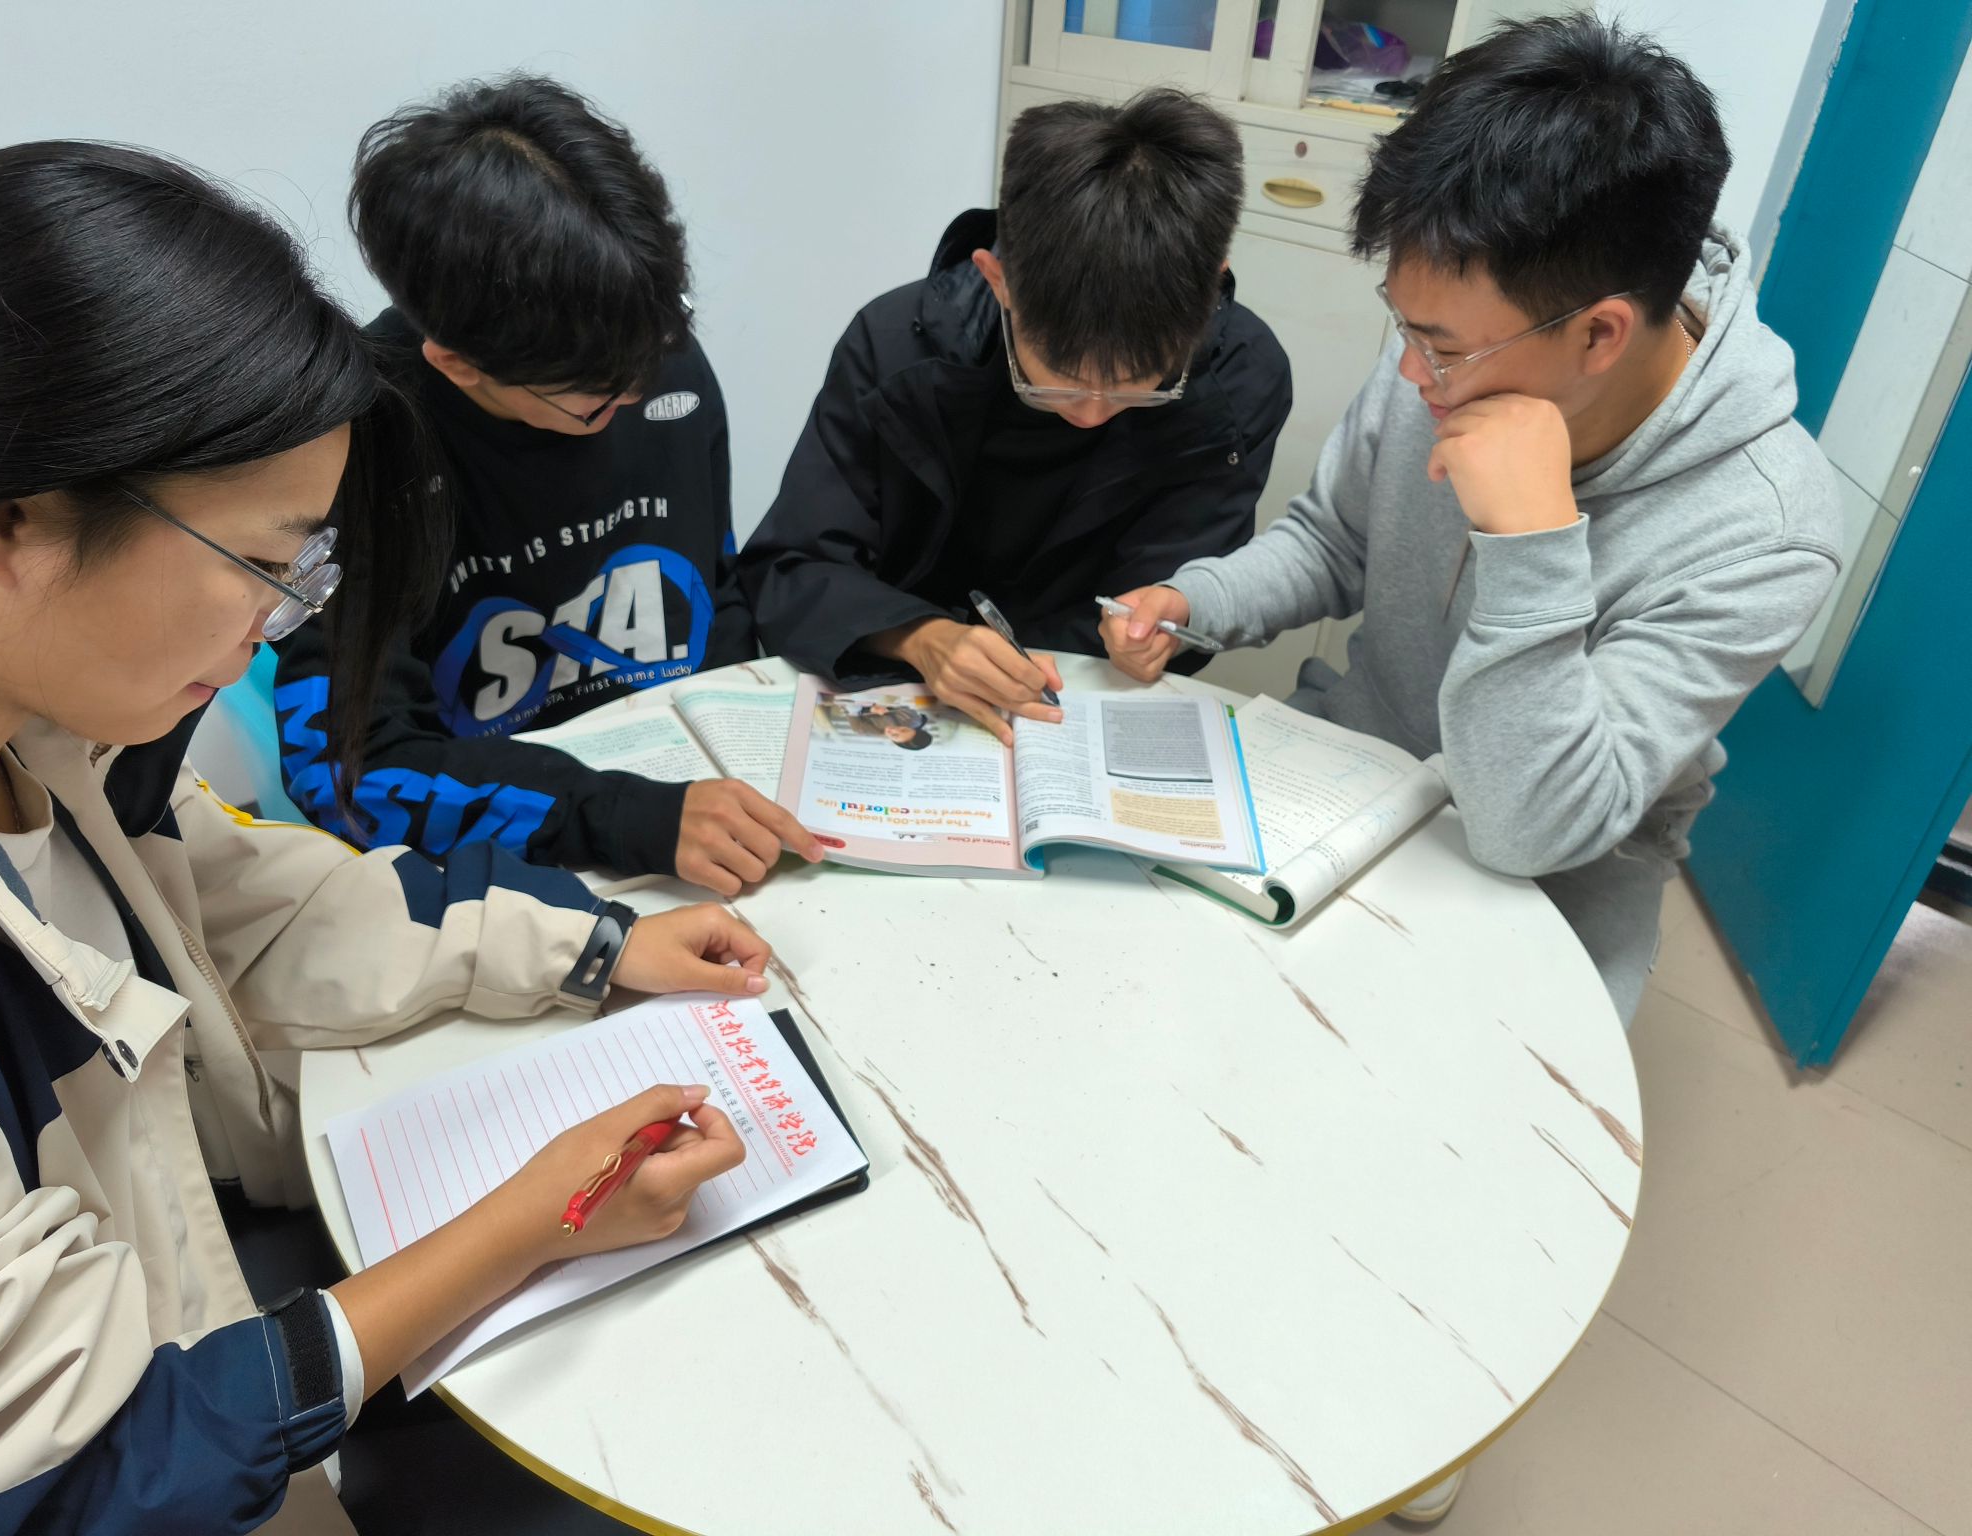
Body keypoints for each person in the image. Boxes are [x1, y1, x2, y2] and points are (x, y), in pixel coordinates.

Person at [0, 141, 771, 1533]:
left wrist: (597, 942)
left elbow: (249, 901)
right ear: (2, 520)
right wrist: (527, 1224)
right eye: (265, 564)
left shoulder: (59, 742)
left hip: (211, 1296)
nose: (277, 628)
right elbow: (80, 1479)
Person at [1104, 31, 1838, 1507]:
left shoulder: (1769, 523)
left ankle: (1404, 1416)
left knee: (1422, 1182)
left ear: (1601, 333)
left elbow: (1527, 824)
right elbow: (1333, 542)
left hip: (1549, 883)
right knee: (1168, 1047)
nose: (1409, 373)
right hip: (1346, 782)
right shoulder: (1448, 360)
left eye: (1442, 349)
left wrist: (1532, 538)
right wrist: (1204, 601)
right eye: (1403, 328)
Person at [273, 75, 820, 896]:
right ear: (458, 363)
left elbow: (715, 597)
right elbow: (351, 776)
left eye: (656, 354)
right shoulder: (352, 450)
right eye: (596, 401)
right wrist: (618, 817)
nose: (639, 395)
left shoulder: (653, 357)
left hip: (699, 810)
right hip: (520, 866)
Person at [738, 88, 1293, 744]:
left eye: (1137, 388)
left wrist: (1163, 628)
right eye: (1057, 384)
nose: (1091, 414)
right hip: (900, 688)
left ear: (1208, 291)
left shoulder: (1240, 378)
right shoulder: (896, 347)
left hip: (1082, 708)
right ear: (998, 279)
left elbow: (1183, 588)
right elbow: (791, 567)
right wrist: (920, 636)